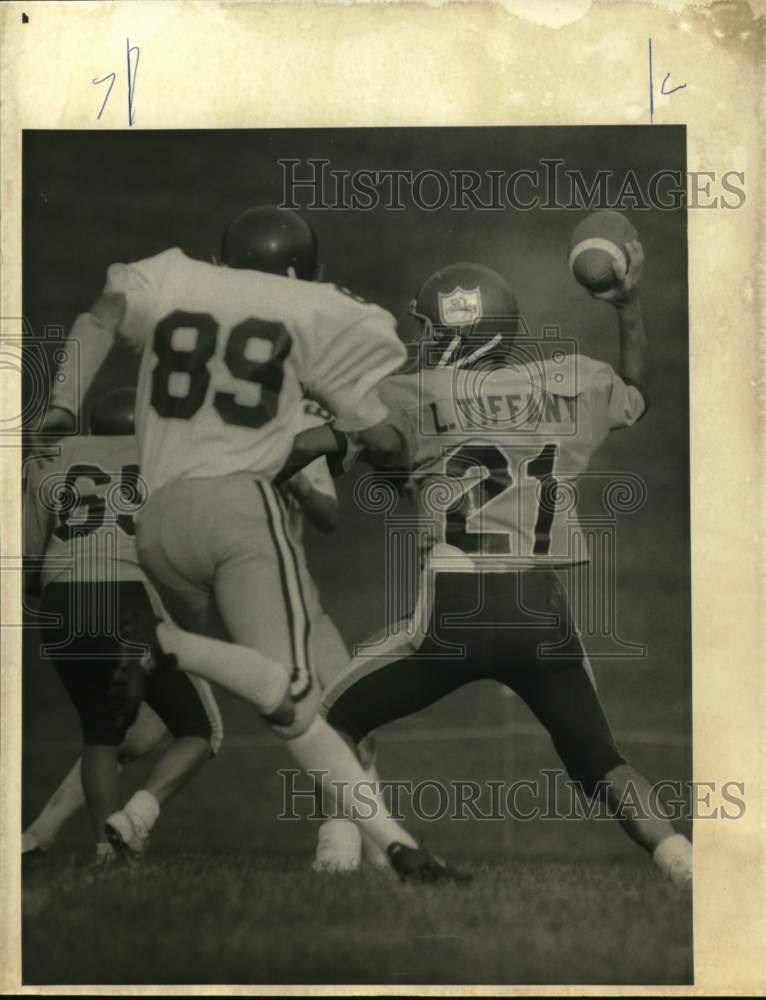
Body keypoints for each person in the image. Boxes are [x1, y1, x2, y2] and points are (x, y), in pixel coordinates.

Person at [41, 207, 467, 883]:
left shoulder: (176, 276)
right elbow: (379, 441)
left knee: (183, 719)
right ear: (304, 271)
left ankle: (391, 848)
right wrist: (382, 449)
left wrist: (64, 402)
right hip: (238, 515)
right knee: (301, 697)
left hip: (158, 525)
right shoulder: (318, 312)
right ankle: (372, 843)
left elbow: (103, 311)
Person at [311, 250, 693, 886]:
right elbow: (640, 393)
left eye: (431, 329)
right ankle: (681, 861)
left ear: (455, 333)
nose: (423, 341)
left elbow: (365, 452)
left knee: (330, 721)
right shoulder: (573, 380)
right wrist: (627, 307)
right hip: (540, 608)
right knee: (602, 761)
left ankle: (338, 855)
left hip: (458, 606)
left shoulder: (407, 394)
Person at [24, 387, 222, 865]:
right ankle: (135, 816)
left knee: (99, 732)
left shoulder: (50, 458)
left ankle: (103, 852)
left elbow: (25, 560)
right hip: (128, 600)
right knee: (201, 730)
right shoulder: (162, 461)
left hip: (63, 600)